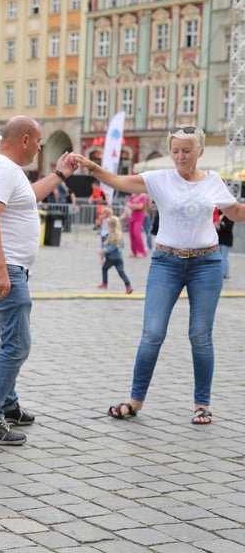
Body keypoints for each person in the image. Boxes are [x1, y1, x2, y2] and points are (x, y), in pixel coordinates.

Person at [70, 125, 245, 425]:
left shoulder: (213, 182)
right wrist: (93, 166)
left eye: (186, 151)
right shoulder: (159, 179)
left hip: (206, 264)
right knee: (152, 333)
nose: (180, 157)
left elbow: (236, 213)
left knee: (200, 336)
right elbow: (119, 182)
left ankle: (202, 404)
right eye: (175, 150)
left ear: (199, 152)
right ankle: (135, 400)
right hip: (166, 262)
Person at [0, 115, 75, 445]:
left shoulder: (4, 169)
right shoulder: (2, 169)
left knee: (10, 339)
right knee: (17, 345)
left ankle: (8, 405)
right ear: (25, 140)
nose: (40, 148)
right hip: (4, 266)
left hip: (8, 265)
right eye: (39, 142)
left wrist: (59, 174)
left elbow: (29, 196)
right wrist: (0, 269)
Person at [98, 215, 133, 294]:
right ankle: (128, 286)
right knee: (121, 273)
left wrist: (104, 250)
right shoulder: (120, 234)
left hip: (111, 258)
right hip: (119, 258)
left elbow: (112, 247)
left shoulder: (113, 235)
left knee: (104, 269)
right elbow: (121, 246)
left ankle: (105, 283)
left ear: (111, 226)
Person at [122, 192, 148, 257]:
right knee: (132, 235)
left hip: (139, 217)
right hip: (131, 217)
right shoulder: (132, 197)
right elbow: (128, 205)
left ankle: (142, 251)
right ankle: (134, 252)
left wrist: (131, 205)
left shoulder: (143, 197)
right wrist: (134, 206)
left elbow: (140, 206)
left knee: (137, 233)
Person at [216, 208, 234, 280]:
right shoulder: (219, 215)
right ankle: (221, 272)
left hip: (226, 241)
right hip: (220, 240)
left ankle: (225, 273)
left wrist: (221, 224)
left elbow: (228, 229)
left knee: (224, 257)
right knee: (219, 257)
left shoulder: (230, 217)